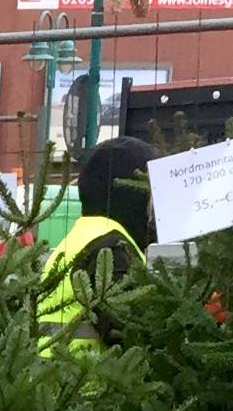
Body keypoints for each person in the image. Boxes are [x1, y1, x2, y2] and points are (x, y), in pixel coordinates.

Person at [39, 136, 158, 356]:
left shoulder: (84, 236)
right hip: (89, 384)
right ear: (131, 193)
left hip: (58, 380)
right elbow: (134, 334)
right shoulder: (110, 249)